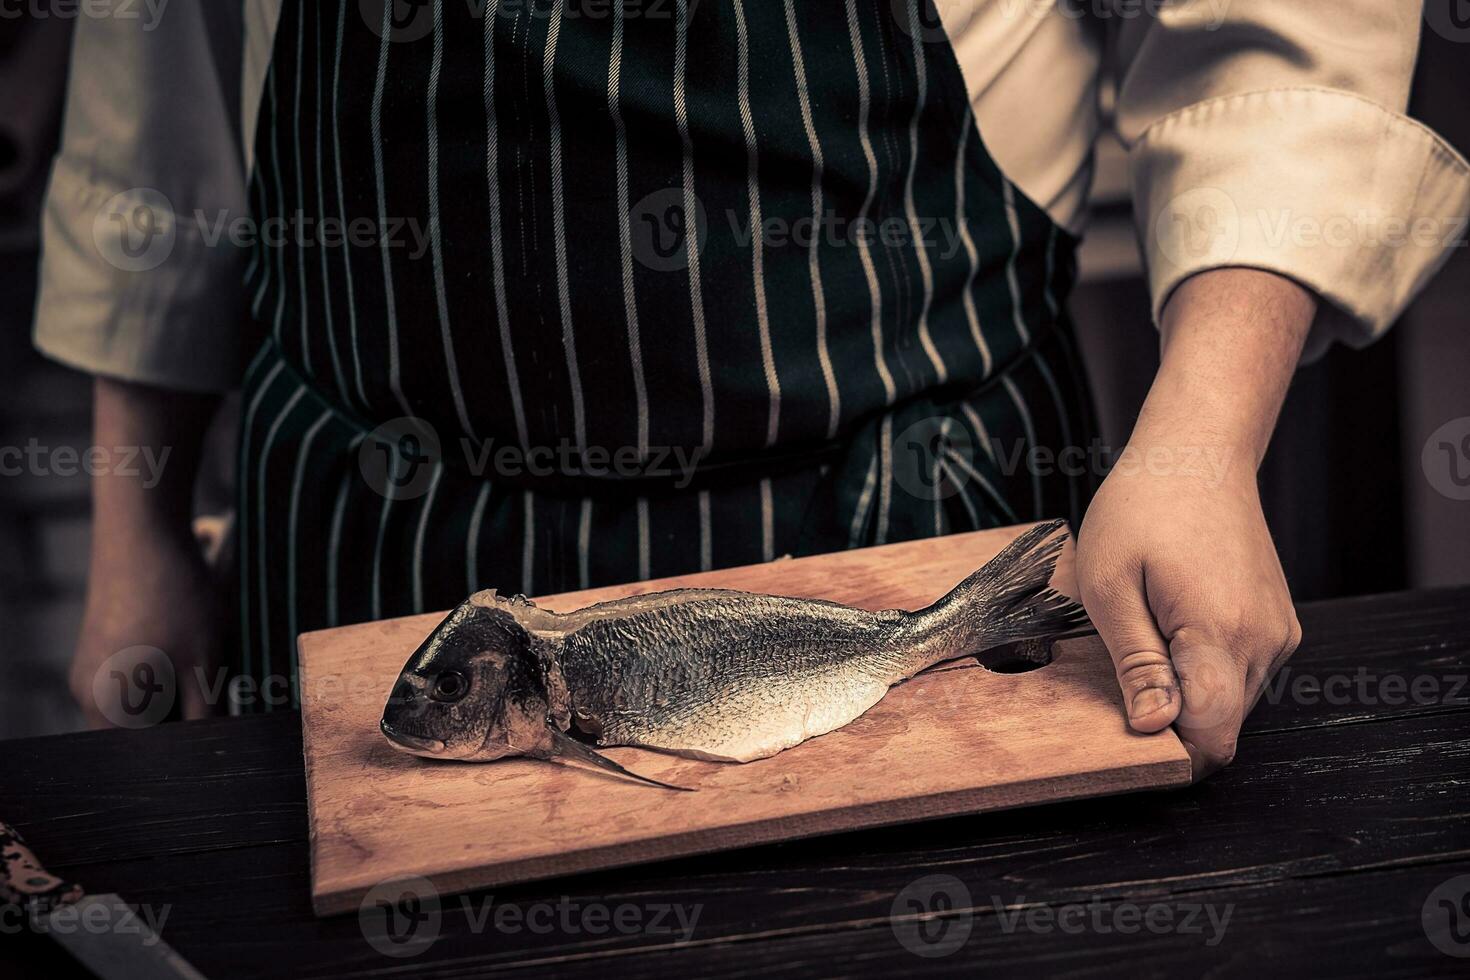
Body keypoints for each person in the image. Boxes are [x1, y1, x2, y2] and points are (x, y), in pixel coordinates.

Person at [35, 0, 1469, 777]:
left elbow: (1280, 25)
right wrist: (134, 525)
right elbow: (149, 63)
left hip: (912, 495)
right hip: (376, 530)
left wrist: (1200, 445)